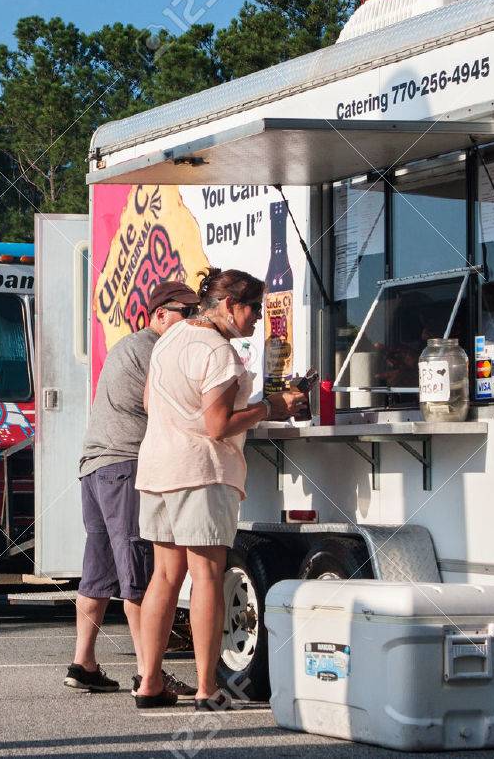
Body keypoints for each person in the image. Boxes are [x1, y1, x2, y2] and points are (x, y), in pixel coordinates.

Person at [133, 268, 306, 710]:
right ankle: (207, 688)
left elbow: (150, 402)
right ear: (229, 305)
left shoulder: (170, 337)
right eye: (253, 308)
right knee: (207, 576)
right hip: (201, 473)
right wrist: (271, 406)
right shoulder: (219, 351)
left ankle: (149, 681)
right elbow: (218, 426)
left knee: (164, 576)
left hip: (157, 469)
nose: (258, 319)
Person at [65, 280, 200, 698]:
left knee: (99, 569)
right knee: (138, 572)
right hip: (125, 465)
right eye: (187, 313)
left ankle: (84, 663)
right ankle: (148, 674)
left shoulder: (128, 346)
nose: (193, 321)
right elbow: (165, 403)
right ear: (160, 314)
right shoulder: (155, 349)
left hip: (95, 467)